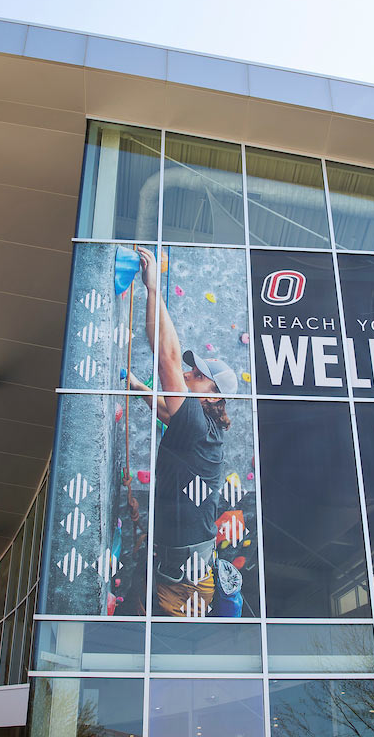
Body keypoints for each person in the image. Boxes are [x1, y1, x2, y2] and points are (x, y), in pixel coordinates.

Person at [128, 247, 238, 616]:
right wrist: (134, 386)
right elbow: (160, 407)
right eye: (191, 371)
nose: (190, 374)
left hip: (185, 581)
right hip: (185, 569)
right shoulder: (199, 426)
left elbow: (167, 358)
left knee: (161, 646)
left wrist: (153, 289)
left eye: (199, 375)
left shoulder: (196, 420)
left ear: (213, 396)